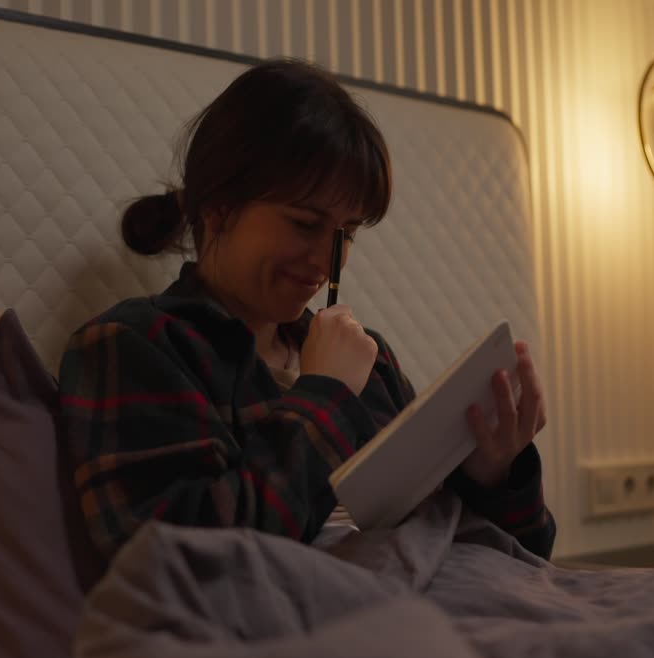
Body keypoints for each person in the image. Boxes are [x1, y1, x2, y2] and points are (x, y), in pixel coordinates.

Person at [58, 59, 554, 563]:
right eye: (303, 224)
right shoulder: (134, 345)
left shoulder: (369, 358)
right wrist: (327, 397)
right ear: (219, 208)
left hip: (451, 606)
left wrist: (495, 477)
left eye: (348, 233)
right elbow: (184, 563)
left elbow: (519, 559)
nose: (326, 261)